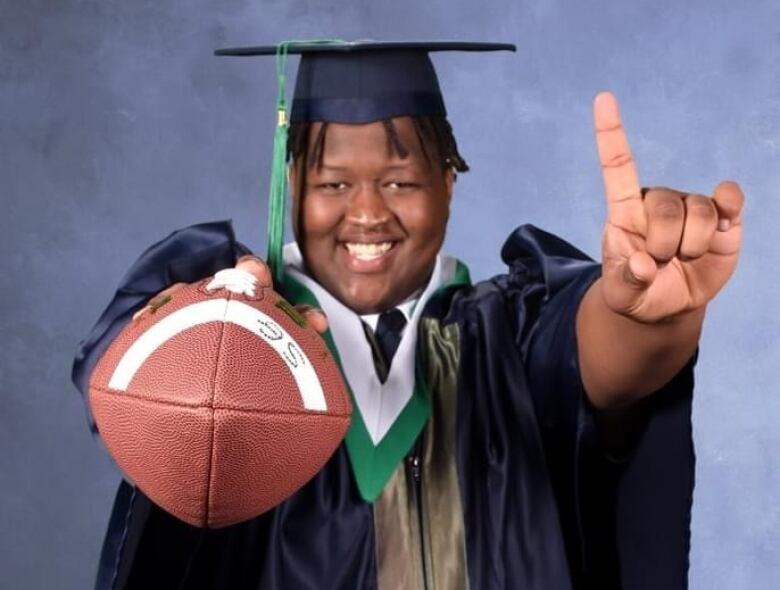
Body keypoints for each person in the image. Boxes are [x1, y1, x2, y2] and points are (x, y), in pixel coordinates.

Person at [72, 41, 744, 589]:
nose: (367, 213)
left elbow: (598, 355)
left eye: (400, 181)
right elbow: (128, 385)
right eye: (333, 183)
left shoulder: (504, 331)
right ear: (292, 186)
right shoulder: (240, 344)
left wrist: (648, 317)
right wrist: (213, 333)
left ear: (448, 182)